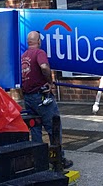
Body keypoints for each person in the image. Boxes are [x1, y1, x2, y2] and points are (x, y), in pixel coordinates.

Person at [21, 30, 73, 169]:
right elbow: (44, 67)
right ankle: (59, 160)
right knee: (53, 127)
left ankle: (39, 161)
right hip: (41, 96)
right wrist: (50, 82)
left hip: (28, 98)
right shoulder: (39, 53)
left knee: (35, 129)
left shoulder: (23, 56)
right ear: (38, 41)